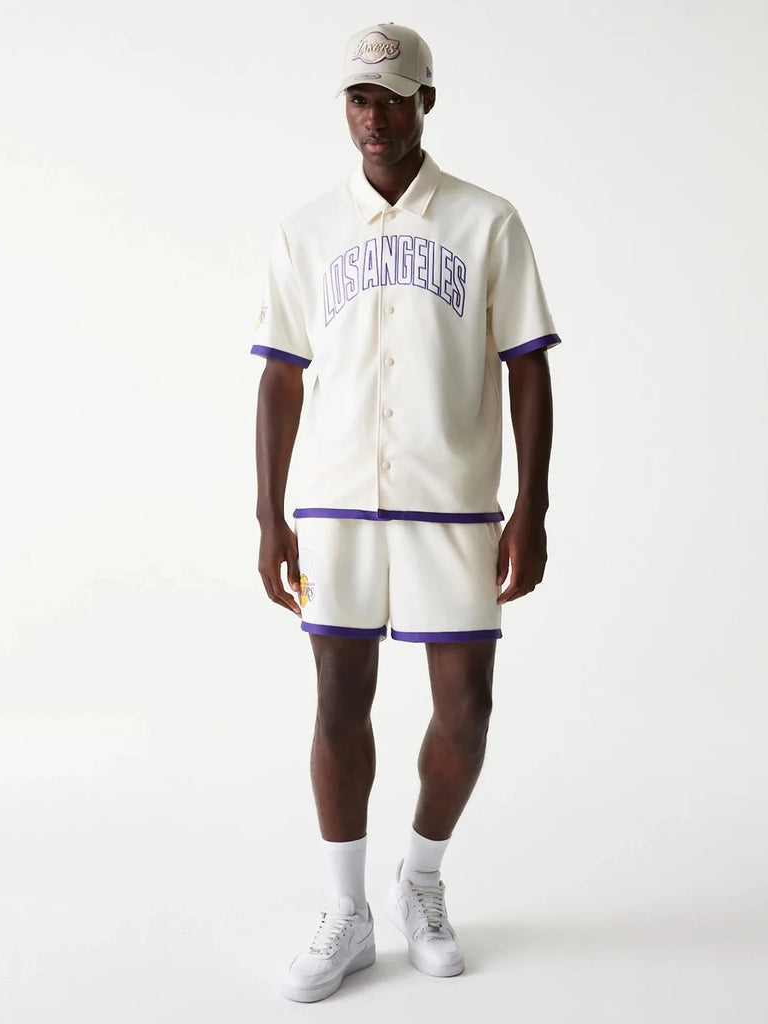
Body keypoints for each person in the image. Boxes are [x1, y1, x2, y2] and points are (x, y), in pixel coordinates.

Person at [251, 21, 559, 1003]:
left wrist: (532, 506)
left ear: (427, 99)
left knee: (466, 706)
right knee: (338, 700)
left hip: (452, 504)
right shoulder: (304, 231)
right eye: (358, 98)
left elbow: (527, 368)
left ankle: (419, 878)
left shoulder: (486, 221)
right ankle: (346, 912)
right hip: (336, 504)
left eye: (391, 97)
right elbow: (279, 379)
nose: (373, 117)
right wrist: (268, 517)